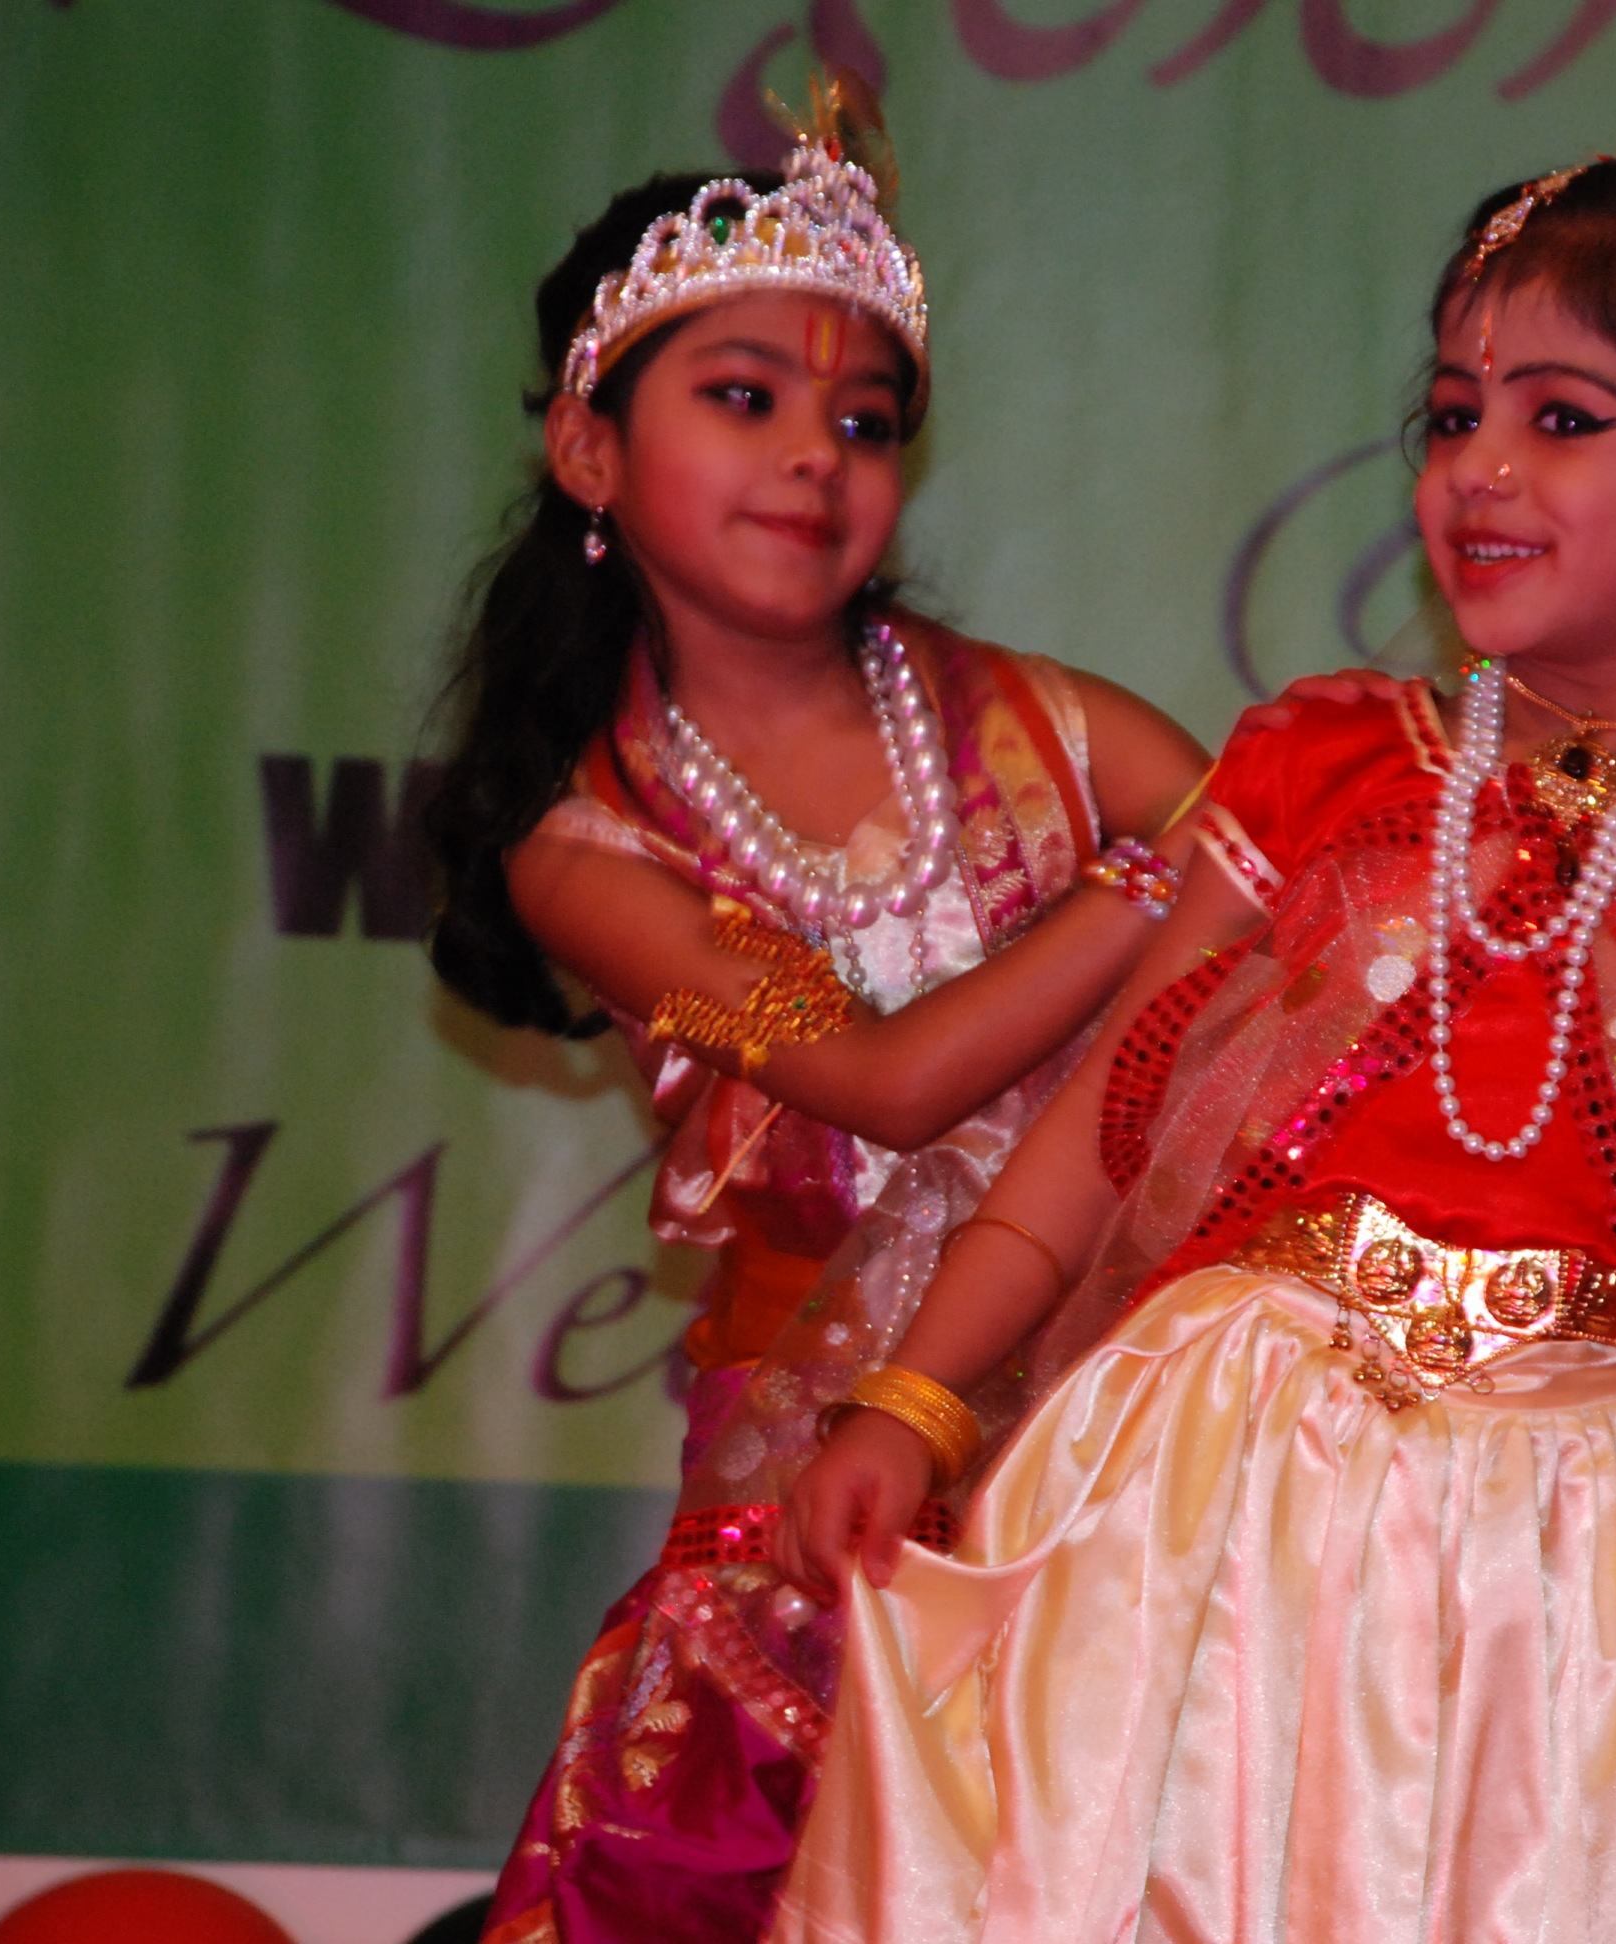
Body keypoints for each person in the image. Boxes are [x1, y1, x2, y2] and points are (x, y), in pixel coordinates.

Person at [768, 112, 1616, 1944]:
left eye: (1564, 419)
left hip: (1573, 1565)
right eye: (1453, 416)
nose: (1481, 471)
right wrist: (919, 1394)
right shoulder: (1327, 763)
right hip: (1205, 1485)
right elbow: (1110, 1120)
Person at [427, 91, 1230, 1944]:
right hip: (824, 1478)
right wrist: (1162, 883)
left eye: (865, 422)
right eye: (744, 397)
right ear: (589, 447)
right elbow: (885, 1080)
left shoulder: (1049, 724)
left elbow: (1290, 937)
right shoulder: (592, 846)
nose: (815, 455)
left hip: (1127, 1444)